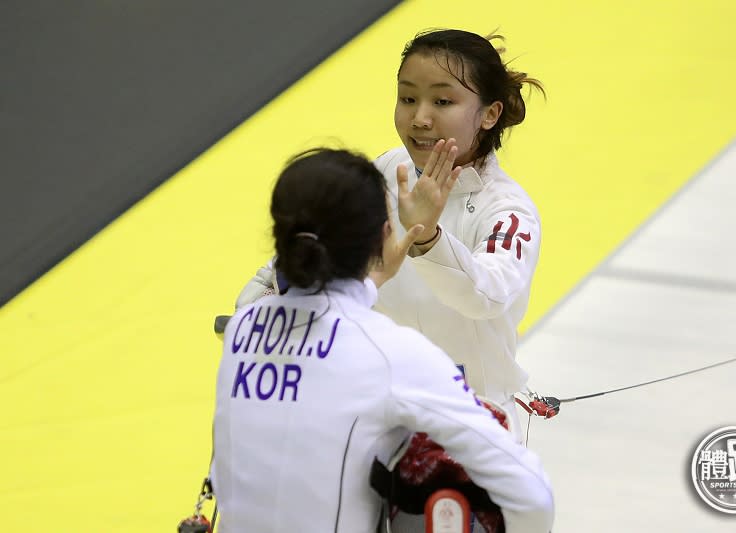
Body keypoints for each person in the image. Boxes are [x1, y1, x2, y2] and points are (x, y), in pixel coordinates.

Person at [211, 148, 553, 532]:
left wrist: (375, 278)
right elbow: (532, 496)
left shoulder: (244, 327)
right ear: (385, 235)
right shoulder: (395, 354)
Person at [236, 29, 544, 440]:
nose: (420, 118)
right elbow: (324, 237)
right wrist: (270, 291)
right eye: (408, 98)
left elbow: (486, 296)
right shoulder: (388, 170)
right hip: (376, 411)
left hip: (472, 424)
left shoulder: (507, 210)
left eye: (443, 101)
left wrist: (428, 237)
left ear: (489, 115)